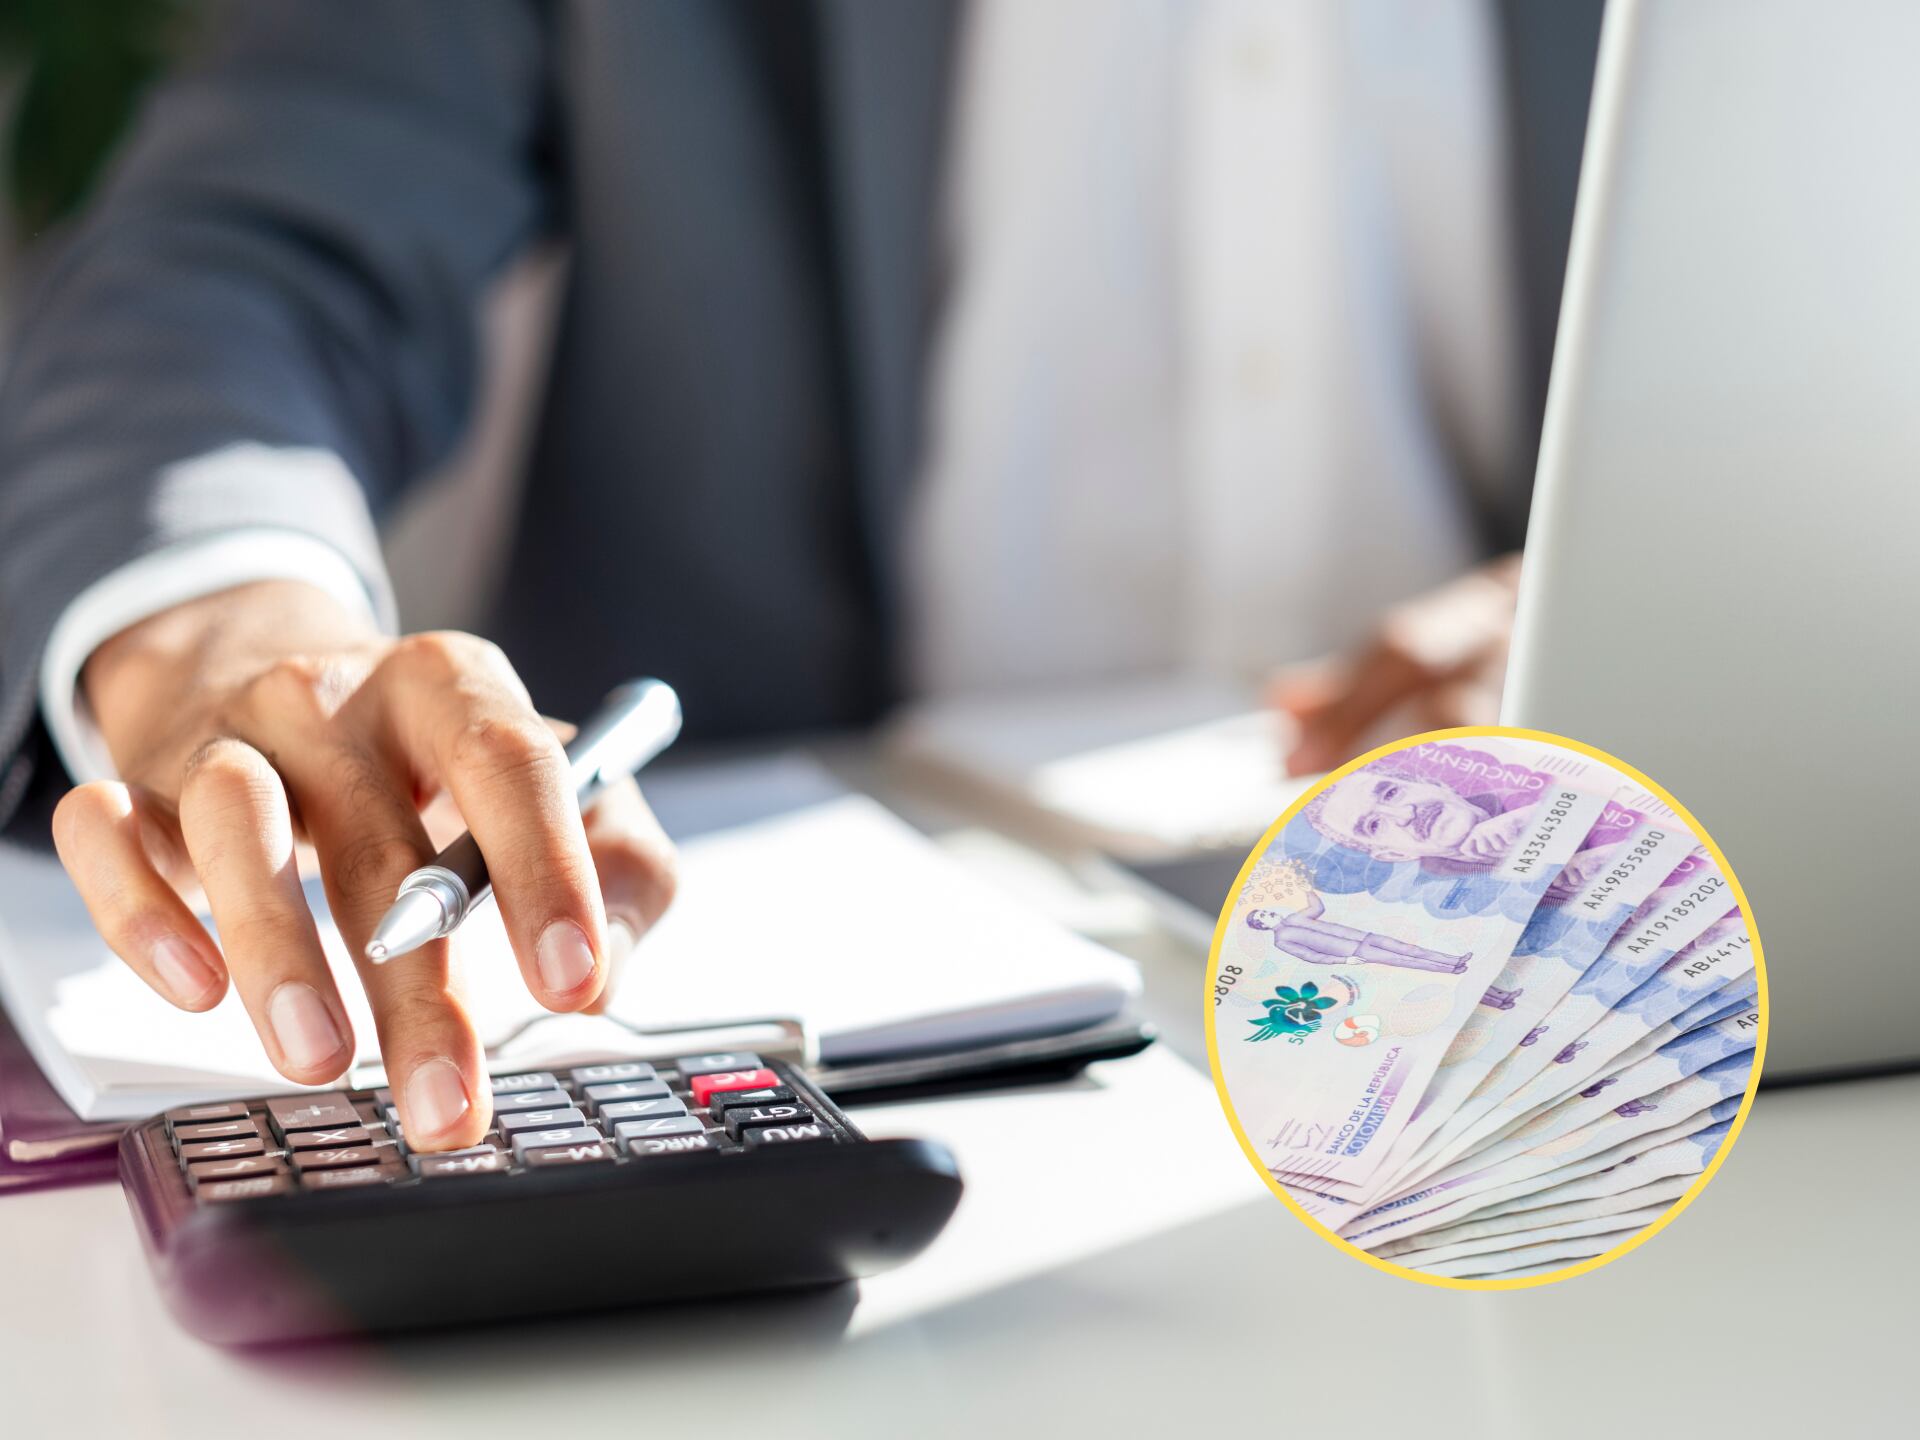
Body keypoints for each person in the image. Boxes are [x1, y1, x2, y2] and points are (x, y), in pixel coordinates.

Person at [0, 1, 1603, 1151]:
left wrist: (1636, 598)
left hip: (1568, 968)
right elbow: (250, 249)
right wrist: (221, 620)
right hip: (816, 1020)